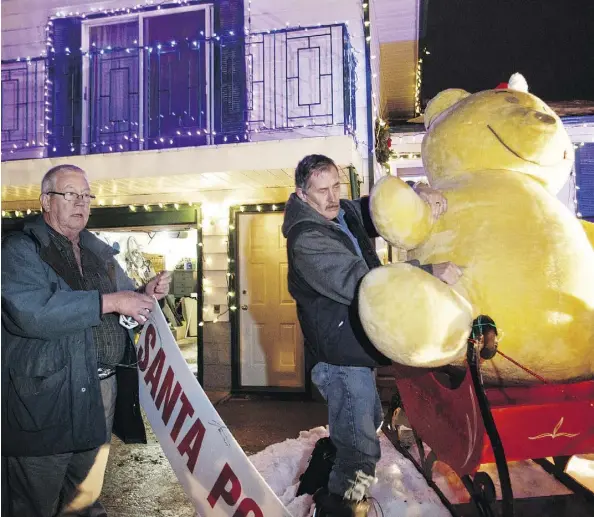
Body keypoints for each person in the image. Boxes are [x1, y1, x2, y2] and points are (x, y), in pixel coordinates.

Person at [282, 154, 462, 516]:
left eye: (337, 186)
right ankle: (341, 506)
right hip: (340, 358)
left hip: (356, 347)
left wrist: (418, 193)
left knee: (362, 426)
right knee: (360, 448)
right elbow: (364, 284)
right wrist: (427, 271)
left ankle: (328, 482)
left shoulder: (342, 212)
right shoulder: (307, 240)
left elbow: (380, 208)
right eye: (322, 191)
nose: (333, 197)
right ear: (302, 196)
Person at [1, 164, 172, 517]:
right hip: (45, 395)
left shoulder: (98, 252)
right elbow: (31, 311)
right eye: (70, 194)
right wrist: (109, 301)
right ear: (46, 201)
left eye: (86, 195)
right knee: (35, 502)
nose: (81, 203)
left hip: (100, 392)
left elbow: (124, 297)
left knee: (85, 497)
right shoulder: (19, 248)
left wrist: (146, 292)